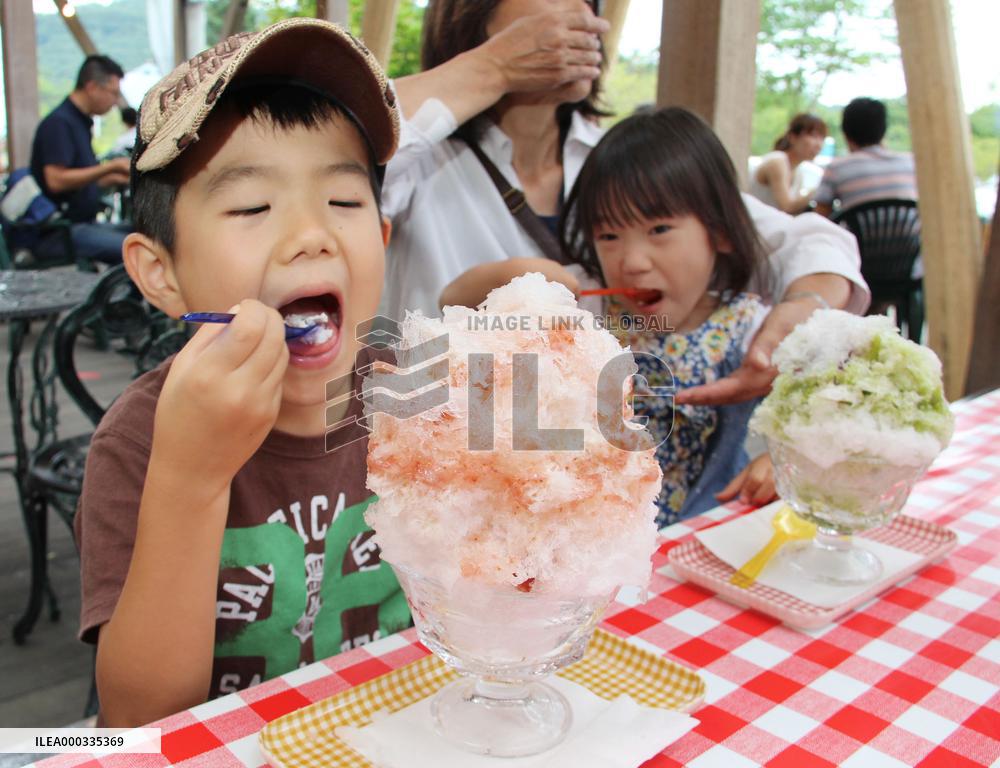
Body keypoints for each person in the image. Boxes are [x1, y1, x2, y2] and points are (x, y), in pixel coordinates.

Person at [74, 19, 409, 727]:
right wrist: (190, 479)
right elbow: (137, 720)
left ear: (382, 239)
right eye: (253, 206)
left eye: (343, 202)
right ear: (159, 274)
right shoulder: (140, 440)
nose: (310, 235)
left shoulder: (417, 391)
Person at [383, 0, 869, 408]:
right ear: (470, 17)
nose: (582, 15)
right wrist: (492, 67)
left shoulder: (616, 161)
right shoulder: (415, 159)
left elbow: (802, 238)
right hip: (450, 451)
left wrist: (807, 301)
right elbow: (339, 142)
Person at [448, 108, 779, 524]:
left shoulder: (752, 329)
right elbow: (453, 301)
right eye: (609, 236)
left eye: (659, 230)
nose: (633, 262)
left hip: (700, 538)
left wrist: (778, 459)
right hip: (588, 545)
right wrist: (510, 275)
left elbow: (820, 408)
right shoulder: (584, 306)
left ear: (721, 231)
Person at [30, 55, 132, 264]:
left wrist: (114, 178)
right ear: (93, 87)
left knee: (148, 234)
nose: (115, 102)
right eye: (113, 93)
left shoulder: (80, 123)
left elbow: (80, 182)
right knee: (139, 252)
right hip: (61, 231)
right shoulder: (59, 123)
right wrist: (109, 167)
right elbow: (56, 180)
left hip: (83, 223)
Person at [813, 97, 918, 218]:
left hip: (855, 237)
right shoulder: (911, 162)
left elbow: (821, 219)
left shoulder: (837, 168)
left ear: (846, 133)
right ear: (883, 131)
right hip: (911, 237)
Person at [749, 113, 827, 214]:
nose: (819, 145)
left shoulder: (798, 171)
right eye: (813, 136)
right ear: (793, 137)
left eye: (822, 138)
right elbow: (787, 207)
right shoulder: (777, 162)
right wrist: (821, 189)